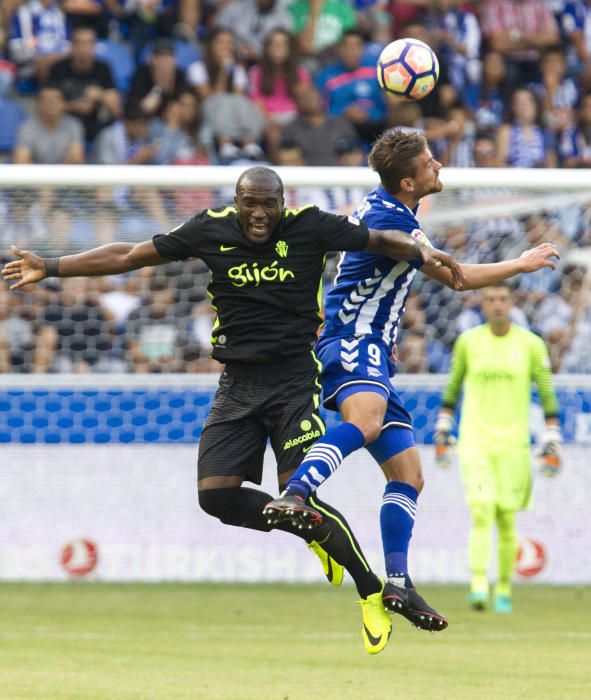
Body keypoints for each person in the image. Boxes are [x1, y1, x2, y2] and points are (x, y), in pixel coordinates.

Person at [1, 165, 463, 655]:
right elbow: (130, 255)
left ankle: (369, 589)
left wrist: (421, 249)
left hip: (293, 382)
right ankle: (308, 530)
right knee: (215, 498)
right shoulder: (209, 227)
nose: (260, 214)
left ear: (282, 203)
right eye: (250, 203)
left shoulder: (310, 225)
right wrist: (51, 266)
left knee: (298, 493)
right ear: (236, 201)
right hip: (237, 384)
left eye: (269, 204)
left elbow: (378, 239)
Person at [264, 129, 559, 632]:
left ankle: (397, 582)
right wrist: (523, 262)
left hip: (373, 348)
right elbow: (457, 277)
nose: (439, 166)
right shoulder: (389, 217)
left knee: (408, 475)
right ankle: (297, 492)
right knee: (368, 419)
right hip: (352, 341)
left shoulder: (397, 208)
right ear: (407, 180)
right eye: (429, 163)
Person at [434, 282, 561, 612]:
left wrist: (551, 434)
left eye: (503, 299)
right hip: (475, 443)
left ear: (513, 302)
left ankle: (502, 589)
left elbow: (546, 391)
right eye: (490, 299)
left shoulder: (531, 344)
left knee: (506, 519)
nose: (497, 305)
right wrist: (443, 426)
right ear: (483, 305)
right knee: (481, 510)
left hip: (514, 447)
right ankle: (478, 584)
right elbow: (453, 386)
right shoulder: (469, 342)